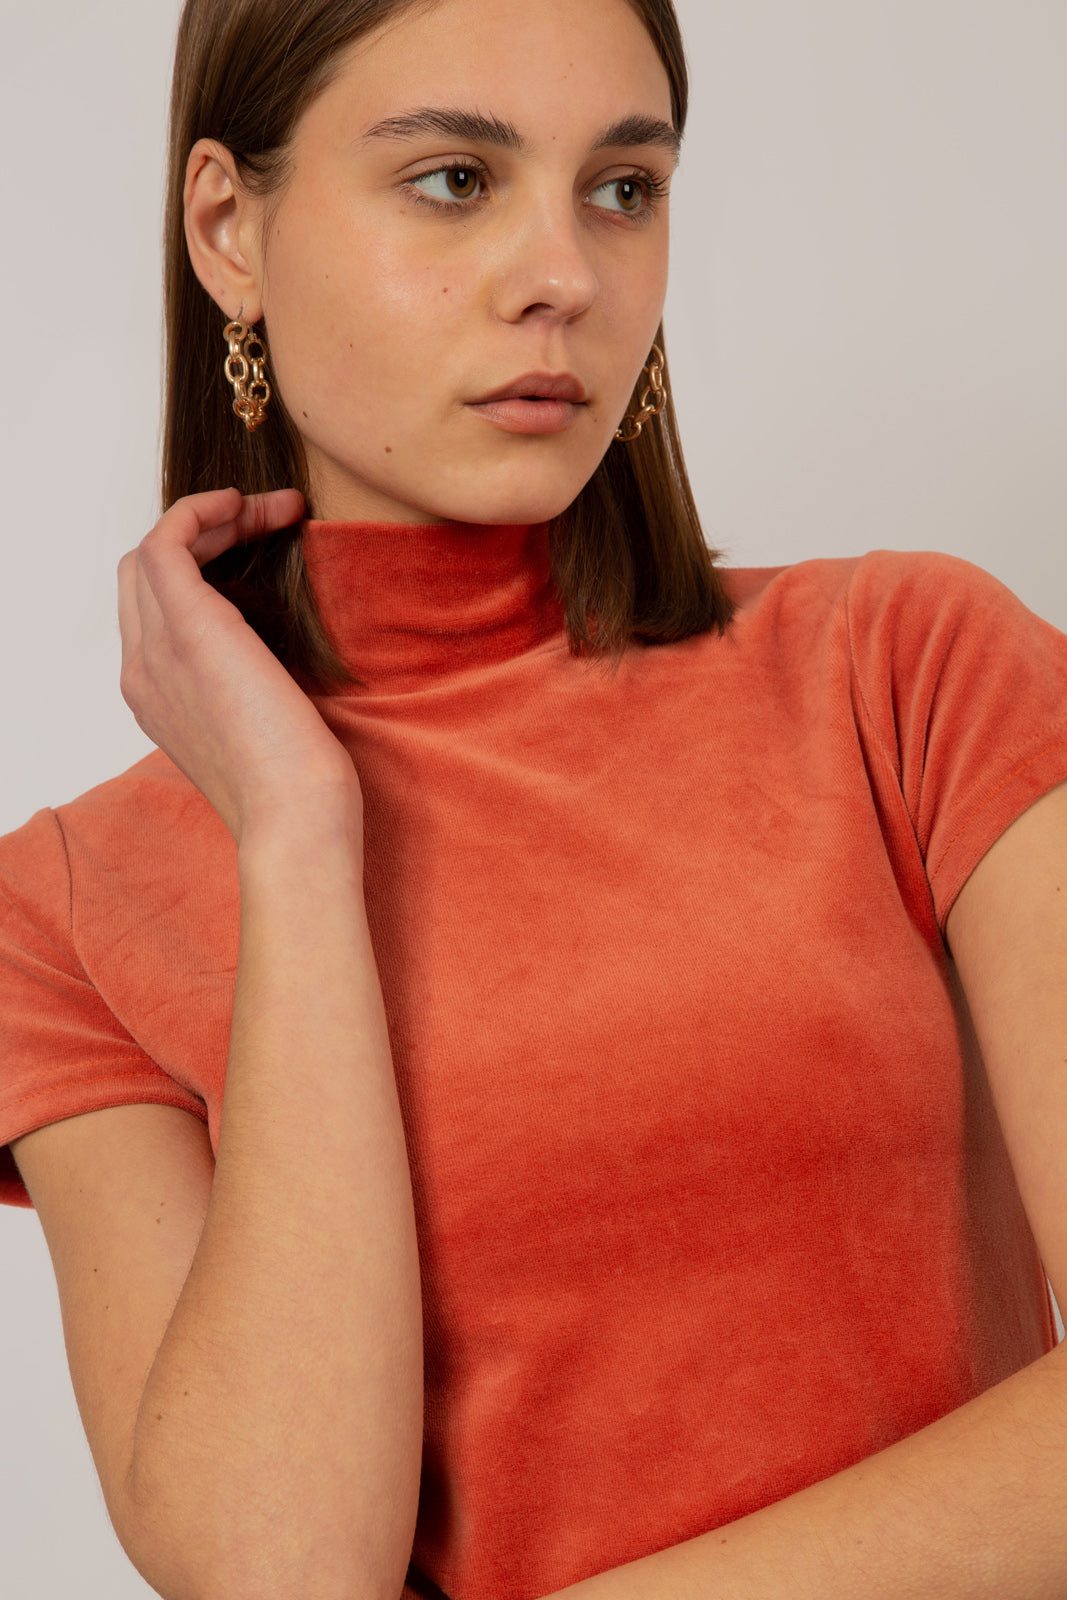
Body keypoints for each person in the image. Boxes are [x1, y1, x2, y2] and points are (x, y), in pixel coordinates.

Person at [2, 0, 1067, 1596]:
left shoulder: (906, 672)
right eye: (455, 179)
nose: (562, 273)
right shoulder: (66, 910)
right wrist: (296, 835)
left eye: (623, 189)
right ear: (228, 228)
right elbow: (279, 1571)